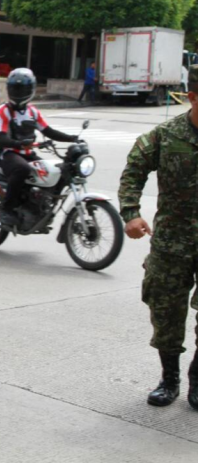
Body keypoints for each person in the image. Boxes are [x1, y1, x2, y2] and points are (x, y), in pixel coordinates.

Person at [118, 65, 198, 411]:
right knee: (165, 312)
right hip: (171, 242)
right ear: (192, 98)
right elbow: (134, 170)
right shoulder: (166, 135)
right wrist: (130, 212)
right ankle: (169, 379)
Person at [0, 68, 79, 226]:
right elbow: (1, 138)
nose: (18, 92)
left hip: (26, 153)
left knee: (56, 171)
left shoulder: (32, 112)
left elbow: (48, 131)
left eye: (23, 89)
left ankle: (38, 206)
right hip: (6, 154)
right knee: (22, 169)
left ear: (30, 90)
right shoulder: (2, 111)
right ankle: (6, 210)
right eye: (15, 88)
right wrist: (19, 143)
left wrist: (73, 138)